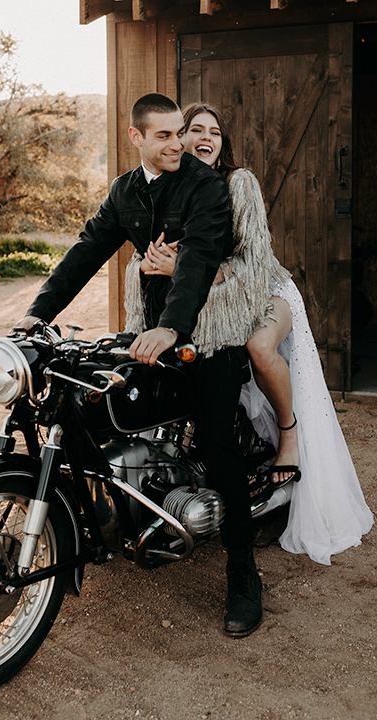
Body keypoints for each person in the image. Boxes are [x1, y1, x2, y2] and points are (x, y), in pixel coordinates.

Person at [16, 93, 264, 638]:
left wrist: (172, 327)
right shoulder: (124, 191)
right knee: (94, 406)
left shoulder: (207, 185)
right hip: (152, 331)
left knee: (219, 444)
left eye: (182, 133)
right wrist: (37, 314)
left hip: (208, 334)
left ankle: (243, 572)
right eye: (165, 136)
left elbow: (198, 257)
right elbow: (86, 250)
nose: (179, 144)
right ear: (137, 139)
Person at [124, 102, 374, 566]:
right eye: (192, 129)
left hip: (266, 291)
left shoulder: (238, 184)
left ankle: (289, 435)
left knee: (260, 347)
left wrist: (182, 268)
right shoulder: (172, 189)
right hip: (211, 305)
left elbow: (254, 265)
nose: (202, 137)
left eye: (213, 132)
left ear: (222, 144)